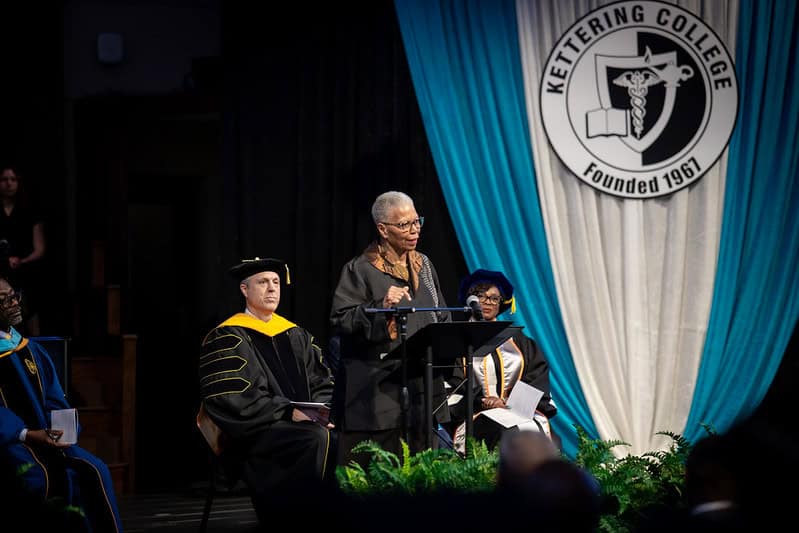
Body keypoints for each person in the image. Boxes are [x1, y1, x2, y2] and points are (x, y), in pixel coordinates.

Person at [198, 257, 336, 523]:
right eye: (263, 282)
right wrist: (287, 411)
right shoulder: (228, 336)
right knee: (314, 439)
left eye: (275, 282)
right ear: (244, 290)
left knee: (339, 434)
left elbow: (322, 382)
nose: (272, 288)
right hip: (255, 432)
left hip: (303, 426)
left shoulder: (296, 335)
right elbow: (232, 398)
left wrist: (323, 412)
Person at [330, 191, 450, 466]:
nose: (414, 229)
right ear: (383, 229)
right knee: (381, 477)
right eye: (404, 224)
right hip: (377, 394)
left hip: (422, 388)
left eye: (416, 221)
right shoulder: (360, 269)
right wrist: (380, 306)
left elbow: (439, 313)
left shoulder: (425, 266)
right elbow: (341, 320)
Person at [0, 276, 122, 531]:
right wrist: (28, 434)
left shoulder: (28, 348)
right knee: (38, 482)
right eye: (5, 299)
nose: (15, 303)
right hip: (13, 442)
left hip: (48, 438)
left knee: (95, 469)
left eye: (14, 296)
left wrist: (64, 427)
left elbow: (55, 395)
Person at [448, 269, 558, 451]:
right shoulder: (456, 341)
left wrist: (509, 403)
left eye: (494, 298)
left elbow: (537, 377)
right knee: (506, 432)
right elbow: (452, 384)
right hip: (475, 414)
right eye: (480, 296)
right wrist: (482, 401)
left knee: (529, 431)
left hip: (518, 411)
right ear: (470, 300)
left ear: (501, 303)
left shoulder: (519, 341)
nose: (487, 302)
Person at [0, 164, 46, 336]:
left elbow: (39, 248)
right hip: (1, 273)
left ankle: (34, 353)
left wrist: (22, 261)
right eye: (4, 179)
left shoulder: (29, 211)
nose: (9, 183)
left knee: (30, 310)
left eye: (13, 179)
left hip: (25, 272)